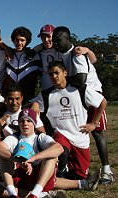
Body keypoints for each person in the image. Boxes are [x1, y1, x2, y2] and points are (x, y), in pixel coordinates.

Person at [52, 26, 114, 184]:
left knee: (97, 132)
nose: (55, 44)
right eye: (54, 41)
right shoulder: (61, 52)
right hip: (76, 98)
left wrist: (63, 82)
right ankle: (69, 167)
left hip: (91, 97)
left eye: (58, 41)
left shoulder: (77, 54)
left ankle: (107, 170)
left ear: (68, 39)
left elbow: (81, 79)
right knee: (72, 131)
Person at [33, 61, 107, 190]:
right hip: (61, 135)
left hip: (80, 137)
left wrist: (94, 123)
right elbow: (32, 107)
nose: (54, 76)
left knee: (80, 175)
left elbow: (102, 102)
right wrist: (35, 104)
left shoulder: (80, 89)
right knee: (60, 150)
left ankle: (67, 175)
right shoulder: (45, 95)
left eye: (57, 73)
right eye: (51, 74)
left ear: (65, 73)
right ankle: (60, 168)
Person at [0, 108, 64, 197]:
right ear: (18, 124)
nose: (25, 123)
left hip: (39, 178)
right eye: (22, 121)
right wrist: (19, 161)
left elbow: (59, 148)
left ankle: (35, 194)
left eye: (29, 121)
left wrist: (33, 158)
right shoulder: (15, 137)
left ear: (34, 124)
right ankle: (13, 194)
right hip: (22, 177)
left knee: (52, 157)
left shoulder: (40, 137)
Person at [30, 24, 97, 91]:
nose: (46, 40)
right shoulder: (44, 51)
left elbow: (93, 61)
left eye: (48, 36)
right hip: (55, 92)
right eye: (43, 37)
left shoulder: (74, 51)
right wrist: (34, 50)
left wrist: (87, 50)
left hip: (87, 91)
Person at [2, 26, 41, 104]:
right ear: (13, 40)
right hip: (10, 101)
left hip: (28, 101)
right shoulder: (8, 53)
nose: (19, 43)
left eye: (22, 40)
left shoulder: (34, 55)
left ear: (27, 41)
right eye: (17, 40)